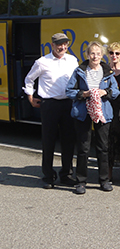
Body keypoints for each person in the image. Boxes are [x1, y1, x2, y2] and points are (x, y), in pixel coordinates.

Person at [24, 32, 79, 189]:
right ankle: (48, 176)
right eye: (59, 44)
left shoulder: (73, 60)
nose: (62, 47)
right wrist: (30, 97)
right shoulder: (42, 62)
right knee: (48, 140)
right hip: (49, 105)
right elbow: (29, 79)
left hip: (68, 103)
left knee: (68, 140)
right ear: (52, 45)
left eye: (65, 44)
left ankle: (66, 175)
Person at [65, 41, 120, 194]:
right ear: (87, 55)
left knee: (103, 147)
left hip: (103, 112)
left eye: (98, 53)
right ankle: (81, 181)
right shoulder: (79, 71)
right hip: (83, 113)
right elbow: (69, 91)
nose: (95, 56)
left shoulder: (107, 71)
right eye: (92, 53)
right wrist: (83, 94)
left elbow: (115, 91)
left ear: (102, 55)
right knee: (83, 148)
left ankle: (104, 180)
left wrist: (105, 93)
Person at [106, 41, 120, 182]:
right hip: (108, 109)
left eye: (117, 53)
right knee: (108, 143)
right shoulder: (103, 69)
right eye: (111, 53)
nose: (114, 56)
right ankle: (108, 174)